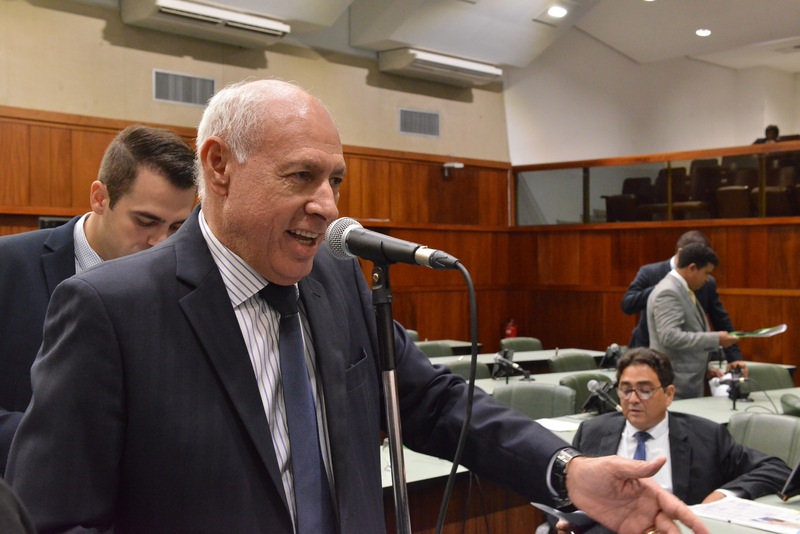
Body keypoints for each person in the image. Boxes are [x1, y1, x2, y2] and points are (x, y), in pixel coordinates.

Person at [6, 79, 709, 534]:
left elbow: (433, 400)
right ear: (218, 167)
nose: (327, 205)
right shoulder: (110, 309)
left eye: (335, 180)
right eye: (301, 176)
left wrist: (567, 471)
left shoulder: (338, 282)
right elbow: (55, 516)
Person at [0, 124, 197, 474]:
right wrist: (58, 444)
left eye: (176, 227)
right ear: (100, 198)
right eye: (146, 221)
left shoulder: (185, 282)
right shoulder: (8, 265)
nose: (161, 242)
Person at [556, 348, 790, 534]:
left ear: (668, 395)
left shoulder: (706, 436)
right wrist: (566, 521)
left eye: (645, 390)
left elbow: (775, 469)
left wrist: (723, 495)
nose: (633, 399)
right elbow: (559, 493)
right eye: (626, 390)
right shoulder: (592, 433)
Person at [621, 230, 744, 364]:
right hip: (647, 355)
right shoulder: (652, 273)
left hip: (689, 360)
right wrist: (668, 284)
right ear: (681, 253)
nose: (707, 277)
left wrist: (735, 358)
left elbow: (720, 320)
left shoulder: (706, 281)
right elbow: (628, 304)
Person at [646, 242, 739, 399]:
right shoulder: (669, 292)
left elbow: (688, 332)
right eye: (706, 273)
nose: (708, 279)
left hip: (687, 382)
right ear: (692, 268)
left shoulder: (682, 289)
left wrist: (705, 369)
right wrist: (716, 339)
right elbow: (669, 336)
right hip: (676, 385)